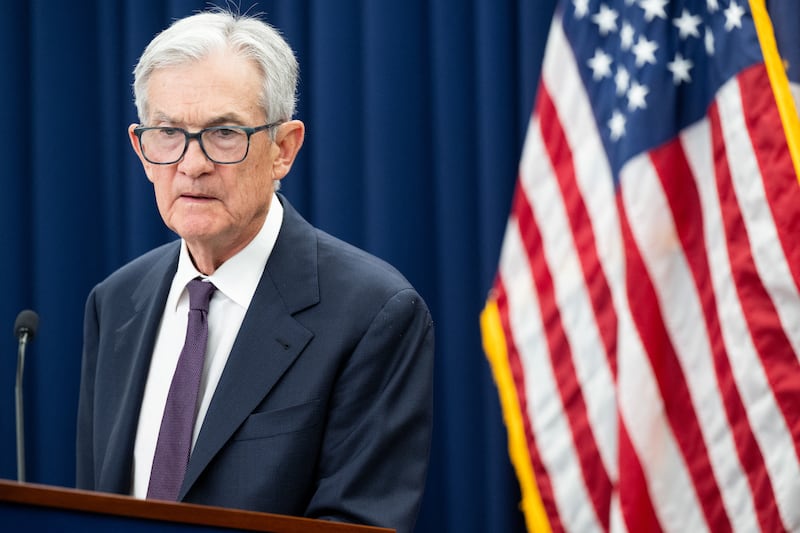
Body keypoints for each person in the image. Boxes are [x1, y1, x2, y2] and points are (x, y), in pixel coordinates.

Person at [75, 9, 434, 533]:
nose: (191, 164)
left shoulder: (375, 313)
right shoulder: (114, 302)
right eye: (169, 133)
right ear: (142, 149)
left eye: (223, 133)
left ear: (282, 149)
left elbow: (357, 522)